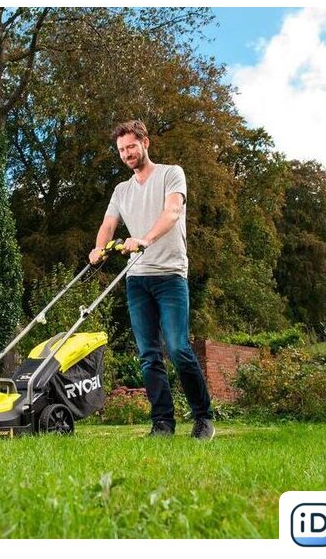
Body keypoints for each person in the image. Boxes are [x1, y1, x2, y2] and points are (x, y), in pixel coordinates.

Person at [89, 120, 214, 439]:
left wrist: (145, 238)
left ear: (145, 143)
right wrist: (99, 248)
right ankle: (162, 423)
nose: (126, 154)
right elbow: (108, 224)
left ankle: (203, 417)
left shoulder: (172, 174)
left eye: (131, 146)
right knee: (148, 355)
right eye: (121, 150)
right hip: (138, 280)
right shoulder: (121, 190)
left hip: (170, 275)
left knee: (178, 348)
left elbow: (172, 212)